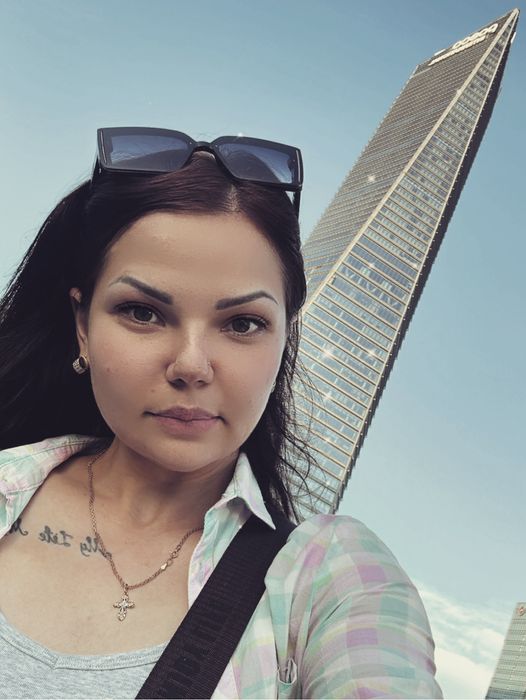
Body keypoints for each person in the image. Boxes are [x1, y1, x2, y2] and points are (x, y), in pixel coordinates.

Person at [0, 127, 442, 699]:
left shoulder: (328, 581)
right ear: (83, 326)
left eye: (242, 324)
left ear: (284, 341)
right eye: (142, 312)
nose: (191, 365)